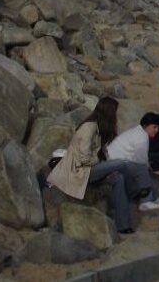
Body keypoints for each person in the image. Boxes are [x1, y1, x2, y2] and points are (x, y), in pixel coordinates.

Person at [46, 97, 138, 234]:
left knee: (119, 178)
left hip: (91, 171)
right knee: (120, 164)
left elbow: (102, 153)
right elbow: (83, 159)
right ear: (109, 112)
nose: (116, 116)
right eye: (115, 112)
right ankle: (133, 194)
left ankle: (123, 226)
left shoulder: (101, 128)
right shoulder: (88, 128)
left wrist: (106, 166)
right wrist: (102, 164)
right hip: (79, 171)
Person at [106, 113, 159, 211]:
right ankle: (145, 201)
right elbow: (140, 159)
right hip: (113, 163)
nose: (157, 130)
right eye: (154, 127)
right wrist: (146, 166)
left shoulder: (139, 132)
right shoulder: (141, 137)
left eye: (157, 127)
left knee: (142, 168)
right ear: (145, 126)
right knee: (142, 169)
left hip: (116, 161)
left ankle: (154, 198)